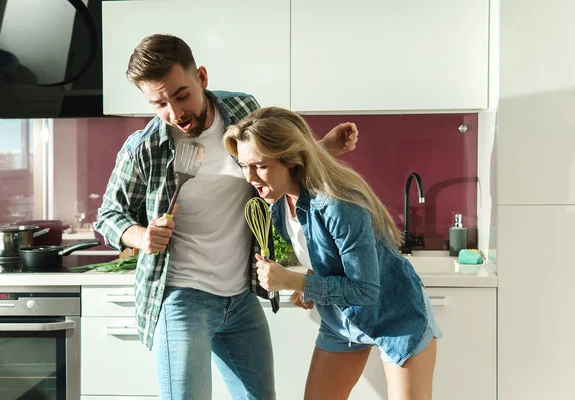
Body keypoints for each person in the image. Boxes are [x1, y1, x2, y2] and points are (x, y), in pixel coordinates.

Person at [94, 34, 358, 400]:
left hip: (240, 297)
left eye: (181, 95)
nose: (174, 113)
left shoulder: (242, 110)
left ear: (201, 77)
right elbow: (108, 215)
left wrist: (321, 148)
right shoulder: (144, 147)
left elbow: (277, 158)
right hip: (182, 298)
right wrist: (140, 236)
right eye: (159, 104)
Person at [223, 106, 442, 400]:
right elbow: (322, 253)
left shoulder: (338, 206)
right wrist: (312, 282)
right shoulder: (278, 202)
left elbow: (365, 290)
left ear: (291, 161)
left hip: (395, 317)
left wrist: (295, 282)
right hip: (341, 322)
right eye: (243, 165)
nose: (249, 177)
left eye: (259, 166)